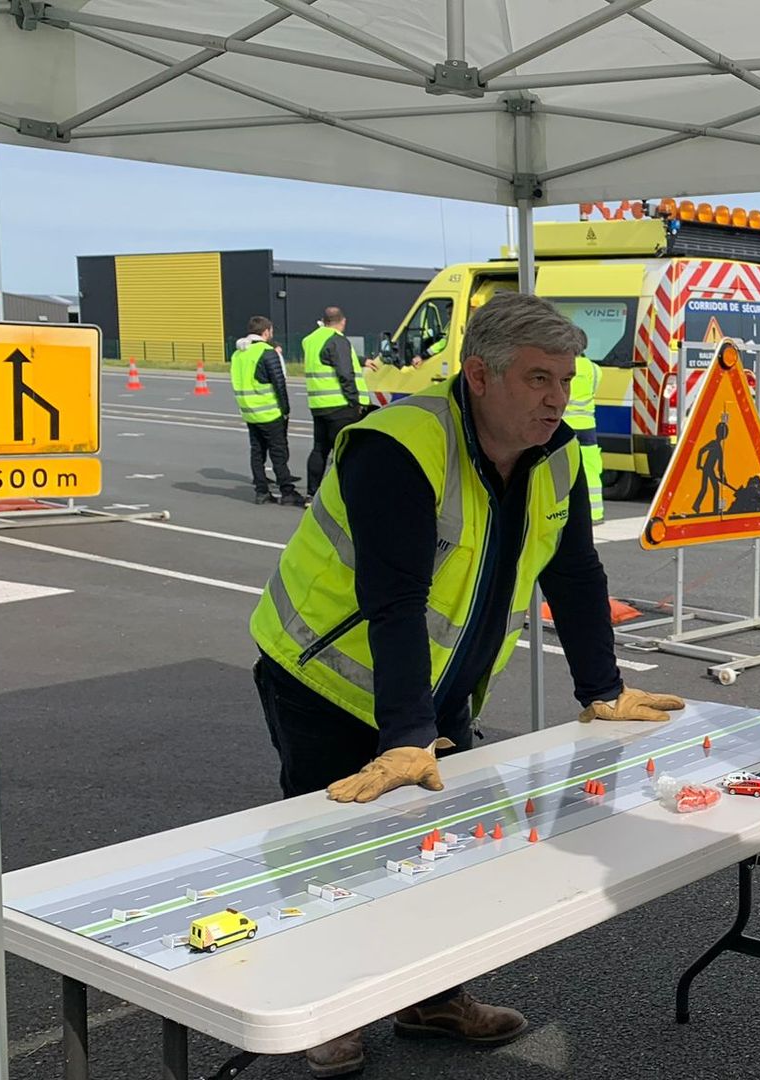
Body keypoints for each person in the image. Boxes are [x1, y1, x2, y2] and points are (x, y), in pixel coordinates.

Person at [250, 292, 688, 1078]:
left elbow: (574, 574)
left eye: (567, 379)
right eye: (538, 379)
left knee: (439, 846)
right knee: (329, 850)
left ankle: (431, 998)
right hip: (323, 678)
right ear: (480, 376)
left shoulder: (557, 455)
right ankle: (328, 1009)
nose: (557, 398)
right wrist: (407, 737)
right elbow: (394, 599)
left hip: (435, 689)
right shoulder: (399, 445)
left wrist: (602, 687)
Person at [229, 315, 304, 507]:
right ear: (266, 332)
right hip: (269, 411)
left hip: (249, 411)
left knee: (257, 452)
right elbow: (279, 383)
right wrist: (285, 409)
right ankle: (287, 491)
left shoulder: (238, 354)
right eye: (271, 331)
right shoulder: (267, 352)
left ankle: (261, 491)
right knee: (278, 452)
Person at [302, 306, 373, 497]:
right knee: (345, 452)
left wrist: (362, 360)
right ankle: (345, 494)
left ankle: (312, 493)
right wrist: (354, 401)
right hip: (341, 406)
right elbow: (345, 373)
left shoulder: (311, 340)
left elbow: (327, 359)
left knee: (319, 449)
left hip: (319, 404)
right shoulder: (337, 340)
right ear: (343, 321)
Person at [564, 351, 605, 523]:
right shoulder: (594, 369)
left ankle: (567, 513)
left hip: (566, 425)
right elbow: (594, 390)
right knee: (590, 468)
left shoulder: (563, 366)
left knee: (563, 470)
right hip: (587, 426)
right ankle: (595, 513)